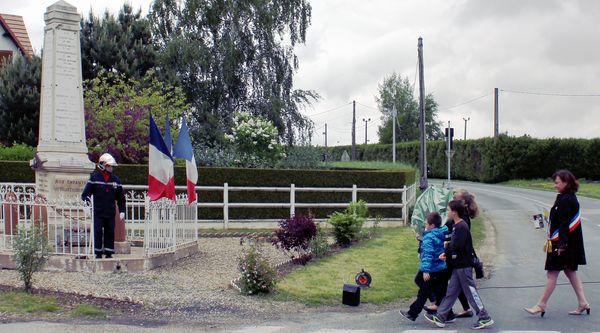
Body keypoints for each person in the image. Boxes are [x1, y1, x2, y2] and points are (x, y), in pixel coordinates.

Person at [525, 169, 589, 317]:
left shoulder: (566, 199)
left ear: (566, 182)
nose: (555, 185)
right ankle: (583, 303)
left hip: (563, 244)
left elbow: (565, 224)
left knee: (552, 274)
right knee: (570, 272)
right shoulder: (566, 197)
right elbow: (561, 220)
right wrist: (548, 219)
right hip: (569, 243)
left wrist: (562, 245)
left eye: (557, 183)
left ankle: (541, 304)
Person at [425, 199, 494, 329]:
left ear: (455, 212)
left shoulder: (461, 226)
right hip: (458, 266)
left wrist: (447, 245)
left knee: (470, 292)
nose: (447, 212)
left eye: (449, 210)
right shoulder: (456, 225)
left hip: (464, 266)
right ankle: (441, 316)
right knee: (451, 292)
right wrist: (446, 253)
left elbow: (458, 245)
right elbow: (456, 247)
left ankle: (484, 316)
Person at [400, 212, 453, 322]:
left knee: (423, 292)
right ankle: (448, 314)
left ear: (432, 226)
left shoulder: (429, 238)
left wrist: (426, 271)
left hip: (432, 269)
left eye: (426, 224)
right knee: (441, 292)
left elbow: (428, 255)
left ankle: (412, 313)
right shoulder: (443, 233)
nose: (425, 226)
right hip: (442, 268)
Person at [81, 153, 126, 259]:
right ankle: (97, 252)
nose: (111, 168)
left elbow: (120, 198)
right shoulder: (95, 178)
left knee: (110, 231)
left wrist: (122, 210)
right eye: (109, 166)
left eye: (112, 166)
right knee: (97, 231)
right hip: (98, 210)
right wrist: (87, 206)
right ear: (102, 165)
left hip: (110, 211)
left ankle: (109, 252)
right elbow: (86, 194)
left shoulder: (115, 180)